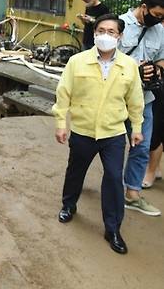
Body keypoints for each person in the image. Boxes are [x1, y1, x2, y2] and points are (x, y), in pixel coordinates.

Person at [53, 13, 144, 255]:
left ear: (120, 36)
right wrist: (61, 123)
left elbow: (135, 100)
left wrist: (136, 128)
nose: (105, 35)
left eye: (111, 32)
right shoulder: (78, 62)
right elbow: (64, 94)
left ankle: (112, 228)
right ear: (94, 34)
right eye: (101, 30)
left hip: (112, 133)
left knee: (114, 178)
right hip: (83, 131)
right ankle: (68, 205)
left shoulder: (129, 66)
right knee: (76, 171)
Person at [117, 0, 164, 217]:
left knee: (142, 147)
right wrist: (134, 69)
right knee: (103, 147)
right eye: (156, 15)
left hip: (144, 101)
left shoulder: (159, 31)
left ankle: (132, 194)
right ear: (144, 8)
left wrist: (155, 70)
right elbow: (103, 60)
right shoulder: (118, 25)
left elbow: (162, 59)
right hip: (115, 101)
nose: (159, 20)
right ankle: (85, 183)